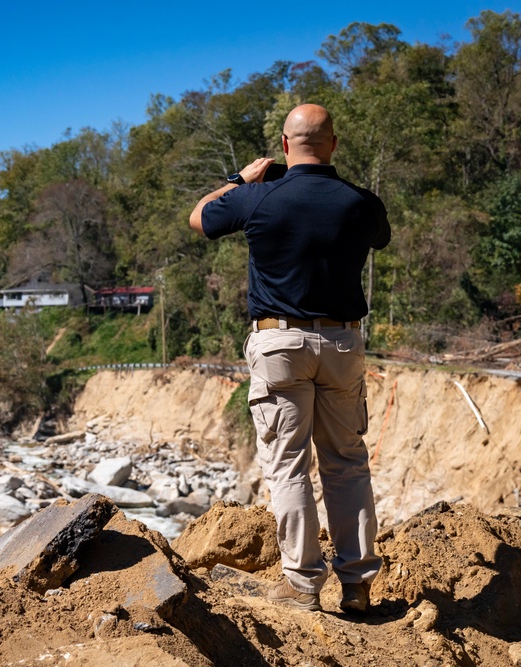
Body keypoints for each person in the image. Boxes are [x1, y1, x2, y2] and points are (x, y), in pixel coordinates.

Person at [189, 103, 390, 613]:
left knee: (288, 466)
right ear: (334, 145)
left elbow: (199, 218)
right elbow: (378, 236)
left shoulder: (258, 197)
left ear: (283, 146)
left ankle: (302, 585)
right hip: (343, 344)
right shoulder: (362, 203)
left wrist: (240, 178)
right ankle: (358, 583)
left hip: (280, 344)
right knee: (346, 463)